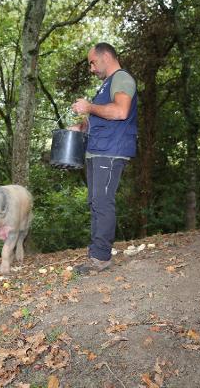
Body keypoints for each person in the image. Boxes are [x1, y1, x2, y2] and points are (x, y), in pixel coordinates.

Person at [69, 42, 138, 274]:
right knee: (95, 202)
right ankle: (96, 253)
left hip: (110, 152)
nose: (91, 68)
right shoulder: (106, 86)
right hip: (98, 150)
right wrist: (81, 126)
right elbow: (101, 117)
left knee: (102, 202)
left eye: (93, 62)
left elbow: (120, 112)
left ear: (106, 56)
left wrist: (88, 107)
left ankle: (100, 258)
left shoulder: (122, 79)